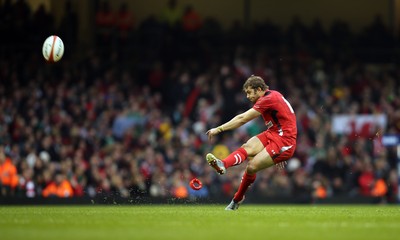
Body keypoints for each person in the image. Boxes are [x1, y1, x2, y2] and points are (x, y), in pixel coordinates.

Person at [206, 75, 297, 210]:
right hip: (274, 133)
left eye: (249, 92)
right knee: (247, 147)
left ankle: (237, 200)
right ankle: (223, 164)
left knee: (251, 167)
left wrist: (219, 129)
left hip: (284, 141)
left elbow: (242, 119)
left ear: (259, 89)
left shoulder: (268, 99)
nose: (248, 96)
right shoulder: (273, 95)